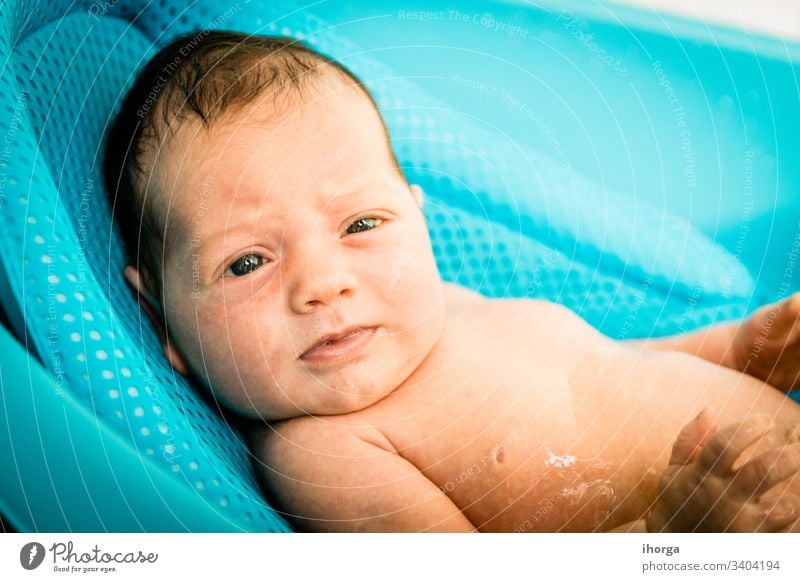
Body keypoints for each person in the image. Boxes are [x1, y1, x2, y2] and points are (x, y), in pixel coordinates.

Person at [104, 30, 800, 532]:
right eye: (247, 262)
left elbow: (621, 371)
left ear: (417, 216)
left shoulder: (453, 310)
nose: (323, 283)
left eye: (362, 224)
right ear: (162, 319)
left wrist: (741, 351)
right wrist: (668, 541)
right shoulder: (325, 454)